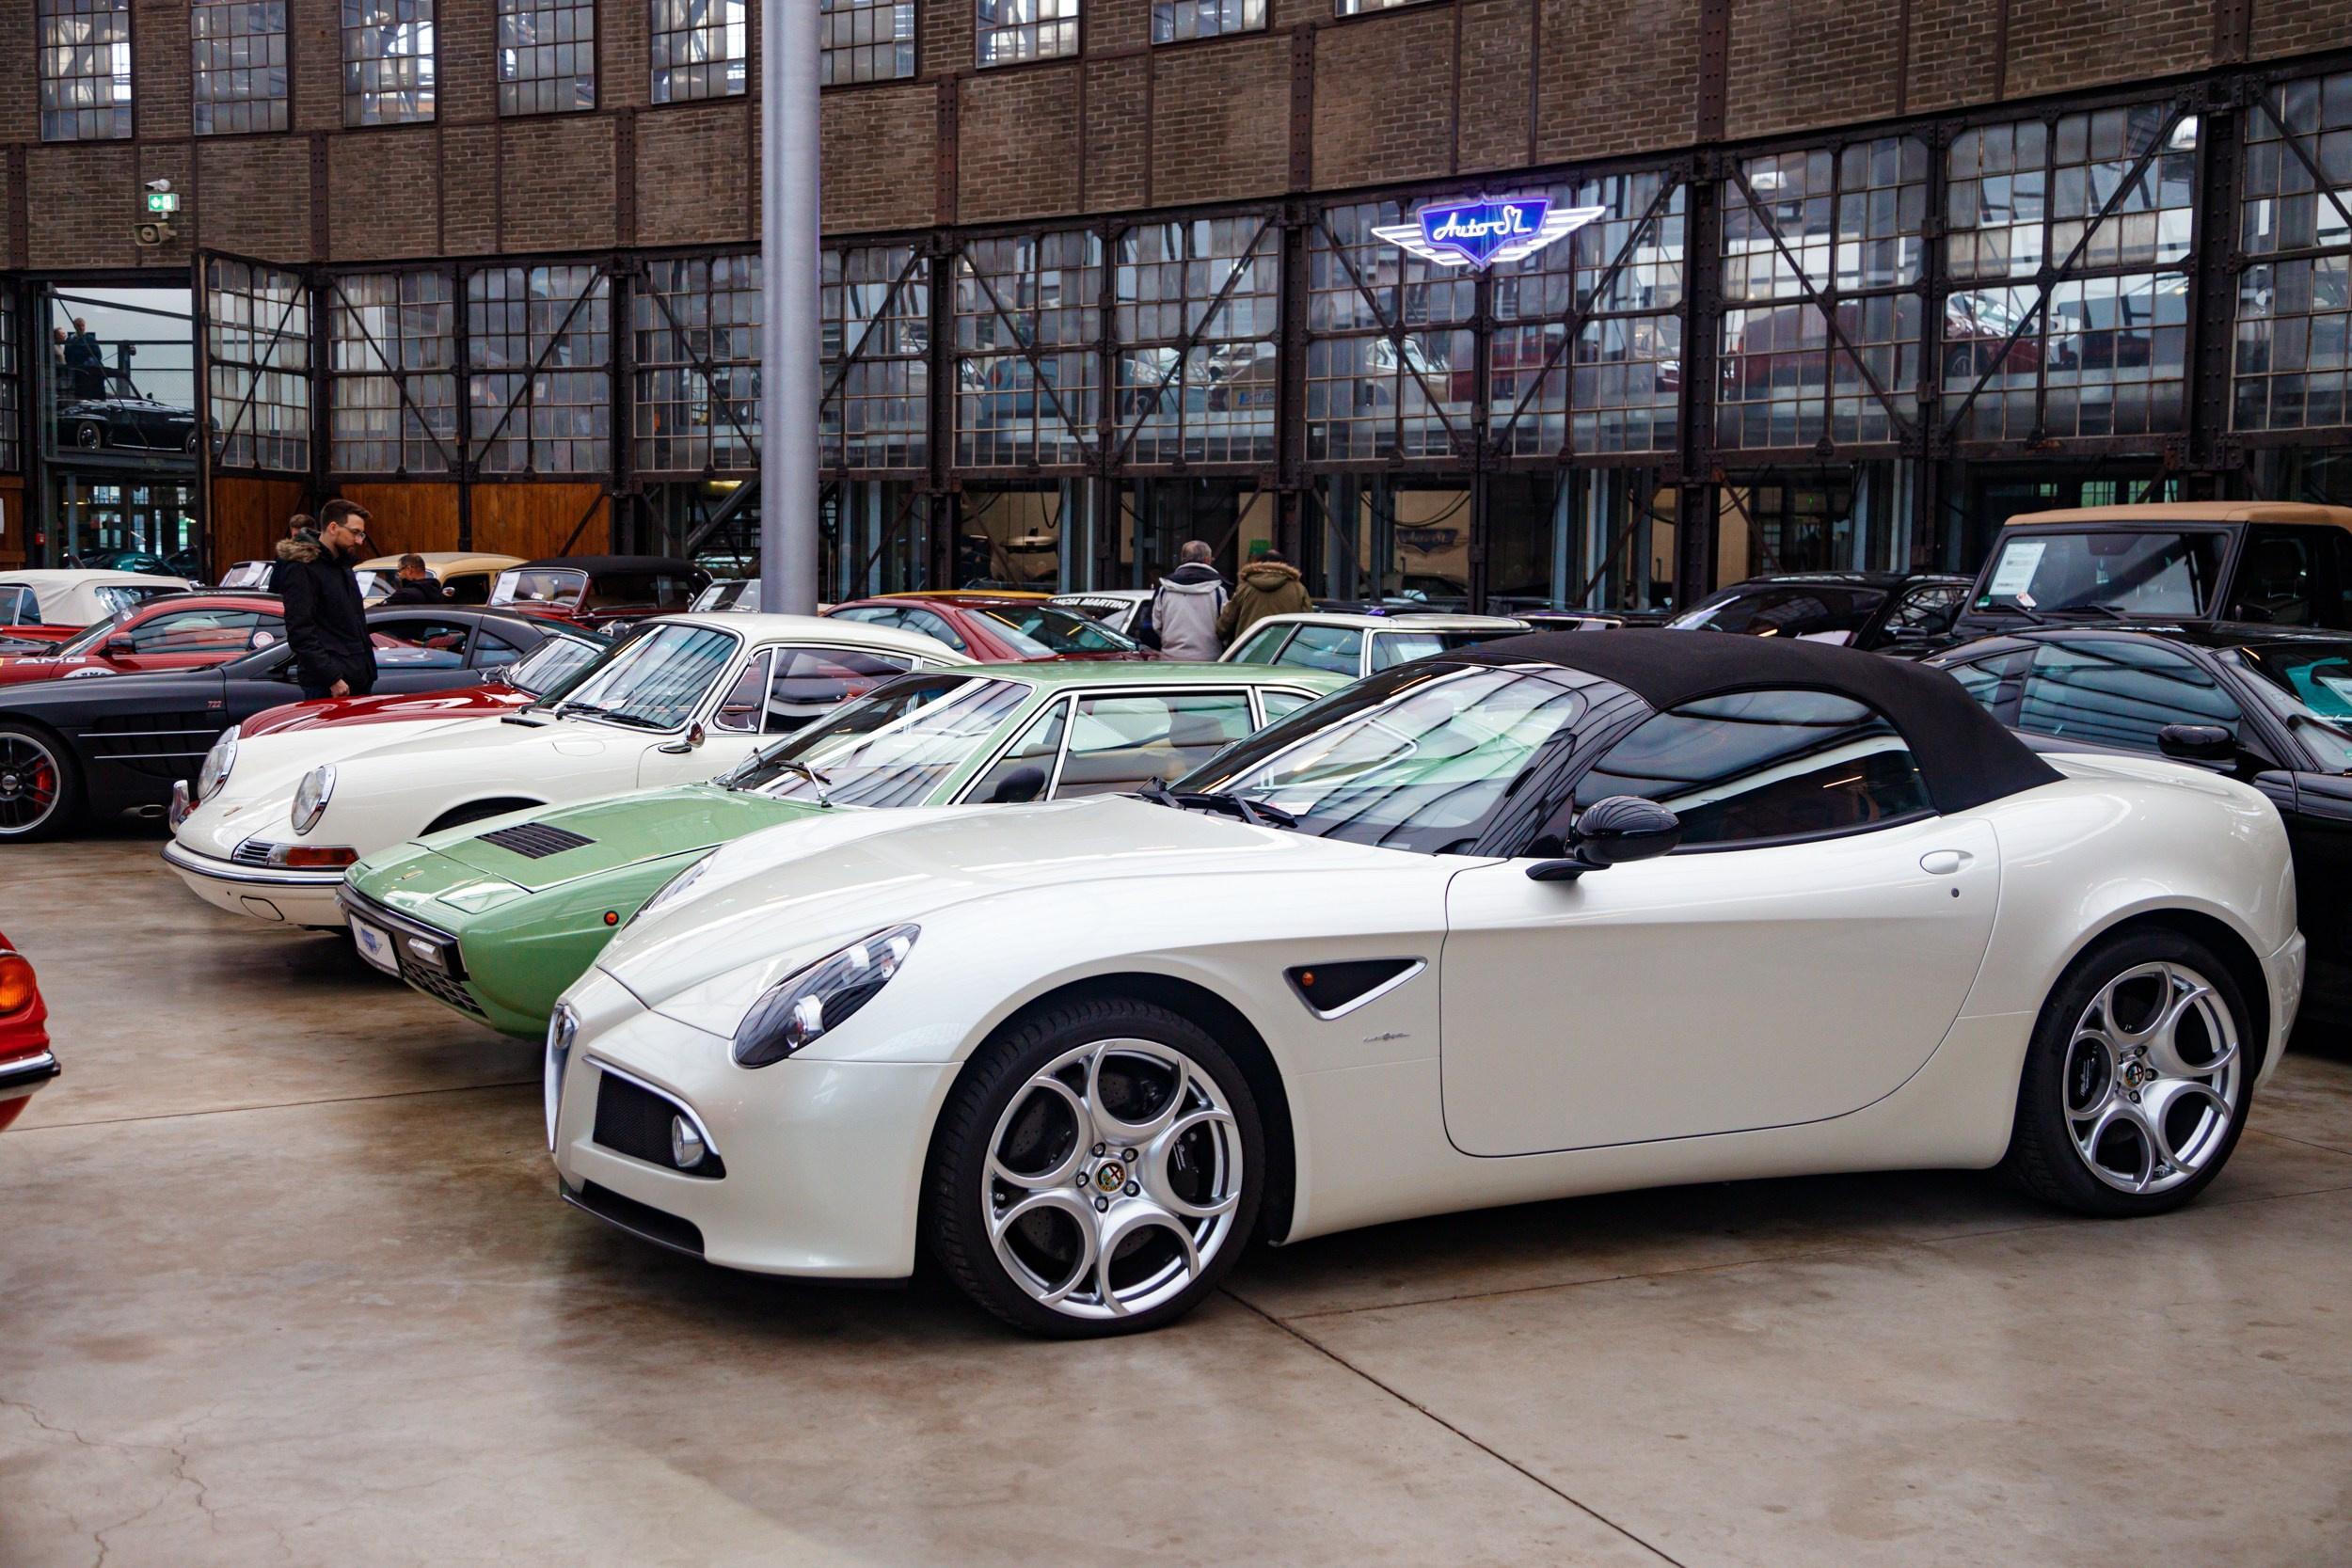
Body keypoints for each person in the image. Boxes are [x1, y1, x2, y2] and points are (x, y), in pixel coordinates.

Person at [275, 500, 376, 701]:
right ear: (333, 528)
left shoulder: (343, 565)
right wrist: (332, 678)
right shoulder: (302, 567)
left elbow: (353, 624)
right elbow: (300, 631)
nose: (359, 540)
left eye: (361, 534)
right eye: (355, 533)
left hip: (356, 678)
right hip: (330, 685)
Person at [1143, 540, 1228, 660]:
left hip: (1170, 660)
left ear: (1182, 559)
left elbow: (1153, 626)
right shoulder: (1220, 588)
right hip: (1211, 661)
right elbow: (1227, 626)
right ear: (1208, 560)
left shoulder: (1164, 588)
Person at [1217, 547, 1314, 645]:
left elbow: (1225, 622)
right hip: (1285, 651)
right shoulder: (1298, 589)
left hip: (1249, 648)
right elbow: (1309, 623)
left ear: (1259, 563)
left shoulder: (1244, 588)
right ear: (1285, 565)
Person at [380, 553, 449, 606]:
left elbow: (376, 611)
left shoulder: (405, 595)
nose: (399, 575)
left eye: (400, 571)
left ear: (409, 570)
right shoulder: (437, 592)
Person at [62, 319, 104, 399]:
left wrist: (86, 364)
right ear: (74, 326)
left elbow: (98, 356)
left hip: (88, 370)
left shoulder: (90, 339)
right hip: (75, 369)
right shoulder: (70, 340)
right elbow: (67, 354)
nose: (81, 328)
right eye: (78, 326)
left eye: (82, 326)